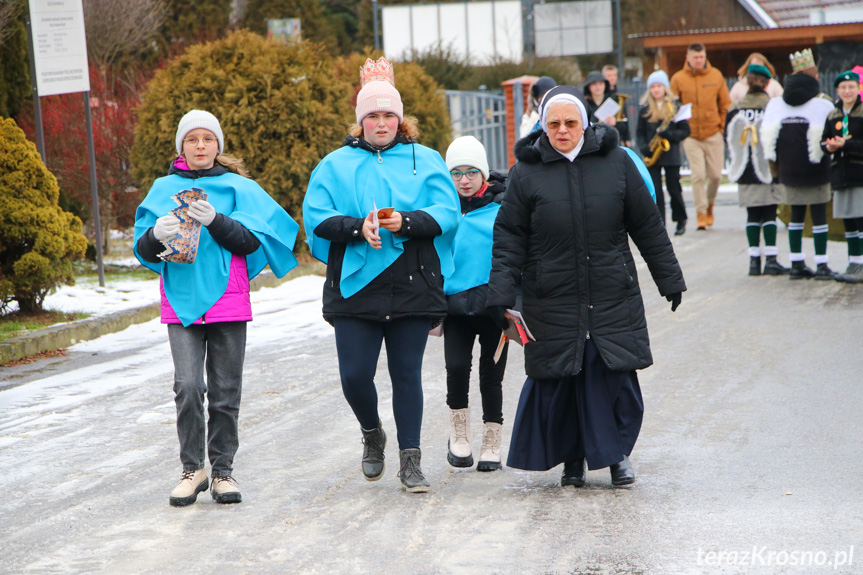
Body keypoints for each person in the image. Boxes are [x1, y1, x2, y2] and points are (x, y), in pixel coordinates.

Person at [487, 86, 686, 488]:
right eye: (554, 123)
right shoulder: (526, 173)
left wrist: (669, 278)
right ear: (543, 126)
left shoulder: (617, 162)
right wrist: (501, 294)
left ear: (585, 123)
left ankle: (617, 458)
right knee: (563, 380)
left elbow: (646, 225)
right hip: (552, 295)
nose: (562, 131)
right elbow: (509, 238)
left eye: (570, 123)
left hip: (611, 290)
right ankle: (572, 460)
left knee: (611, 377)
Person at [302, 57, 460, 493]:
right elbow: (317, 216)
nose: (382, 122)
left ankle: (411, 460)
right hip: (355, 286)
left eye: (389, 113)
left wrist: (405, 222)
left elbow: (447, 213)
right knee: (354, 375)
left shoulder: (425, 159)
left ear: (400, 118)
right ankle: (372, 433)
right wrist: (359, 227)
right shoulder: (333, 164)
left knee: (406, 373)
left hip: (412, 281)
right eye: (372, 114)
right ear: (360, 120)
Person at [133, 110, 300, 506]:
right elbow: (142, 249)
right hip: (181, 300)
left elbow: (252, 243)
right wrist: (156, 233)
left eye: (208, 139)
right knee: (187, 387)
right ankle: (193, 470)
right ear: (181, 146)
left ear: (218, 146)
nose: (201, 146)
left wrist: (218, 221)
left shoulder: (238, 188)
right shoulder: (161, 189)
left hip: (228, 298)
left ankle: (224, 472)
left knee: (225, 391)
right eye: (193, 139)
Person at [442, 136, 508, 472]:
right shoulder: (443, 210)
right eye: (456, 173)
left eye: (471, 172)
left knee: (491, 375)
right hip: (454, 307)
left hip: (494, 307)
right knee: (455, 367)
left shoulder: (502, 208)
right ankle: (459, 435)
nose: (464, 180)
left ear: (484, 174)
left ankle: (492, 438)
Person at [762, 48, 836, 280]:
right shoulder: (824, 104)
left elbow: (768, 141)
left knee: (796, 215)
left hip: (789, 169)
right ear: (814, 77)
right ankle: (822, 265)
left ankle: (796, 264)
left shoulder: (776, 104)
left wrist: (776, 170)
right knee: (818, 216)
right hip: (817, 168)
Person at [726, 65, 790, 276]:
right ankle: (771, 259)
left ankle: (754, 262)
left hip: (744, 169)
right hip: (769, 169)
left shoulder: (734, 108)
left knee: (752, 214)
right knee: (770, 213)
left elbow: (729, 139)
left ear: (747, 82)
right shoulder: (774, 107)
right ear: (767, 83)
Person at [670, 43, 732, 230]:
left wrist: (721, 127)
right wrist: (679, 131)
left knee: (714, 175)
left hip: (713, 132)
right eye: (695, 57)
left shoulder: (716, 76)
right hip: (691, 135)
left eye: (701, 57)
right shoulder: (678, 79)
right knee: (697, 175)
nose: (699, 60)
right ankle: (701, 213)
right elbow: (672, 106)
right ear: (688, 57)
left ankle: (710, 204)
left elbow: (725, 104)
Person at [637, 69, 691, 234]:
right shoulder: (645, 109)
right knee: (655, 191)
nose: (656, 90)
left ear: (665, 88)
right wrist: (644, 147)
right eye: (653, 87)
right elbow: (639, 133)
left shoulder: (676, 107)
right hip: (653, 156)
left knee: (674, 189)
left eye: (659, 86)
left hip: (671, 155)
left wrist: (670, 135)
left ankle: (680, 220)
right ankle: (659, 223)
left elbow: (685, 131)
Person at [822, 70, 863, 283]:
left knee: (861, 219)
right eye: (843, 88)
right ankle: (854, 262)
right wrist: (828, 147)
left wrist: (845, 144)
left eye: (851, 87)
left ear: (858, 89)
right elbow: (823, 141)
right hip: (840, 173)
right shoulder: (833, 115)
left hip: (859, 173)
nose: (847, 91)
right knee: (848, 219)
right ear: (837, 90)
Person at [583, 70, 631, 146]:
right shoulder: (584, 104)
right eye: (594, 84)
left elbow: (624, 127)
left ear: (605, 85)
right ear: (588, 86)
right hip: (592, 145)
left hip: (612, 144)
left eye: (601, 83)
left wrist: (615, 123)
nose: (598, 87)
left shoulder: (614, 101)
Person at [603, 64, 634, 147]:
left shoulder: (619, 96)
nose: (612, 78)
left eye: (614, 75)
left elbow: (624, 118)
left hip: (619, 134)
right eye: (609, 76)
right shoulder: (601, 96)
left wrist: (627, 138)